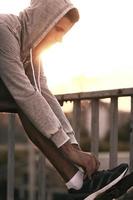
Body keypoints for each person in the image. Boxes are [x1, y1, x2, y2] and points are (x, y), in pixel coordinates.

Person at [0, 0, 128, 199]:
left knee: (32, 105)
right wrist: (67, 150)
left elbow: (44, 94)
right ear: (42, 21)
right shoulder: (4, 30)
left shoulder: (33, 53)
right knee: (27, 102)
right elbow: (25, 94)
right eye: (58, 30)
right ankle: (79, 184)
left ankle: (81, 183)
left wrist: (75, 148)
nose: (60, 40)